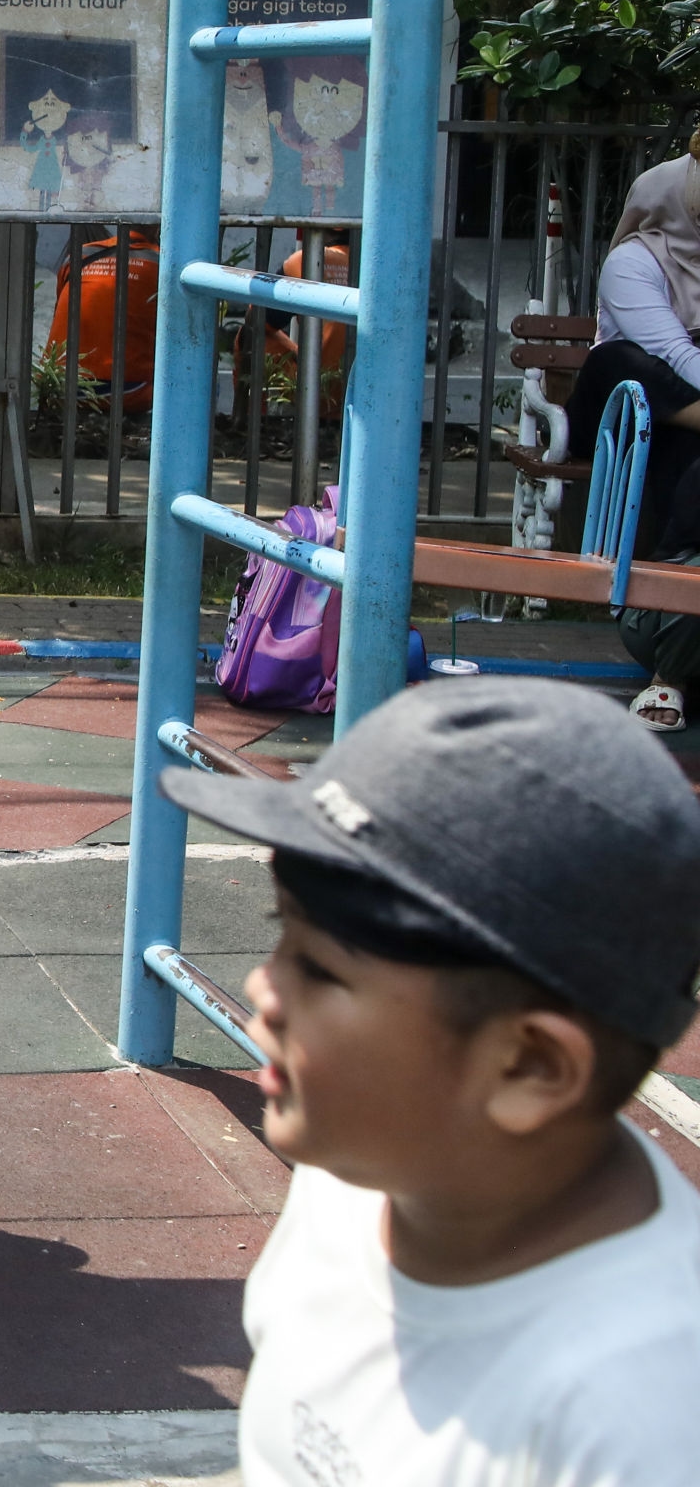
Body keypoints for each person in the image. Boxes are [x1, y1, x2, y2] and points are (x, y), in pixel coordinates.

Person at [162, 678, 700, 1486]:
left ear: (528, 1068)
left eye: (319, 968)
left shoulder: (638, 1417)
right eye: (283, 937)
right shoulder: (361, 1177)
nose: (263, 988)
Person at [568, 144, 700, 729]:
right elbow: (669, 353)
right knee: (622, 360)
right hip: (629, 415)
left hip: (681, 438)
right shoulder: (636, 262)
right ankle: (668, 671)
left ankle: (672, 666)